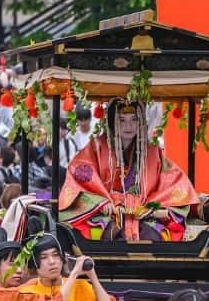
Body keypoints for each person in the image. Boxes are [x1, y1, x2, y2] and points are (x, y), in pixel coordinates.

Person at [59, 98, 199, 241]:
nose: (128, 126)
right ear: (113, 122)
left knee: (153, 237)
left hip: (143, 216)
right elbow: (78, 176)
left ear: (140, 123)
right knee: (112, 235)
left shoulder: (153, 153)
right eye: (122, 120)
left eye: (133, 120)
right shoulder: (96, 148)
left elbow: (174, 183)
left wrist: (152, 207)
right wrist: (100, 202)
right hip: (107, 215)